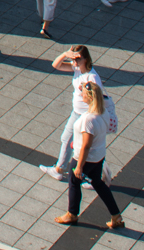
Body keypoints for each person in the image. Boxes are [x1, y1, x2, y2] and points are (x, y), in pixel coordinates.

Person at [52, 81, 123, 229]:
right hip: (98, 156)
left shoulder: (87, 120)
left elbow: (86, 146)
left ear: (89, 97)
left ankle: (72, 214)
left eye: (83, 94)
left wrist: (79, 166)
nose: (81, 95)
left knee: (74, 182)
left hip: (85, 159)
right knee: (98, 184)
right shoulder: (102, 111)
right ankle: (116, 215)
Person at [37, 44, 103, 181]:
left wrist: (89, 117)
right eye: (73, 59)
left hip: (85, 116)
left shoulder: (92, 77)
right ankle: (63, 169)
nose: (75, 62)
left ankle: (61, 169)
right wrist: (65, 54)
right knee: (72, 141)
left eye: (77, 59)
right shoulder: (77, 69)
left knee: (75, 142)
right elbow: (56, 65)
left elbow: (97, 98)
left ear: (85, 59)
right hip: (77, 112)